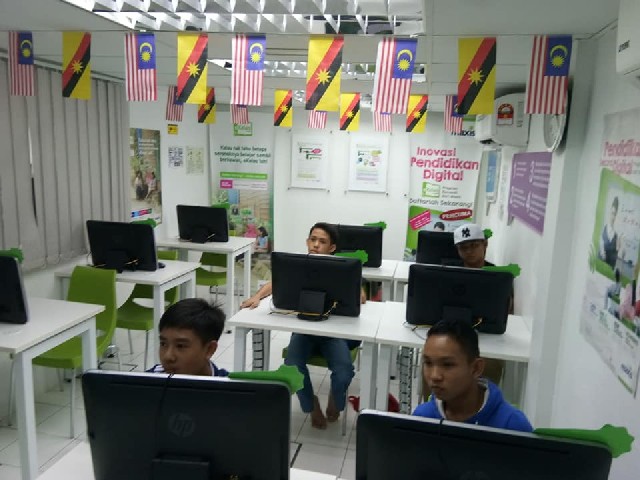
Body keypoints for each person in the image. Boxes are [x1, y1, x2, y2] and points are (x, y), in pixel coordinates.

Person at [240, 222, 365, 429]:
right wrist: (257, 297)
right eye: (313, 240)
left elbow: (361, 294)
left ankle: (336, 398)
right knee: (292, 367)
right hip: (304, 332)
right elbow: (276, 282)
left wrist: (358, 292)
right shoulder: (299, 265)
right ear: (307, 241)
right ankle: (311, 405)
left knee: (343, 371)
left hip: (332, 334)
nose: (316, 245)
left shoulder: (342, 267)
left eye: (322, 241)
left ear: (332, 248)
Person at [413, 318, 533, 432]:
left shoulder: (513, 425)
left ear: (476, 368)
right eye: (428, 363)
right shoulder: (422, 417)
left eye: (447, 364)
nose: (434, 376)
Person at [452, 223, 511, 385]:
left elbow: (507, 311)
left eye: (474, 245)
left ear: (485, 244)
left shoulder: (499, 277)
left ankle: (484, 401)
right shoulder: (448, 273)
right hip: (454, 332)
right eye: (463, 247)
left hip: (488, 337)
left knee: (489, 365)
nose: (469, 251)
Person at [147, 298, 228, 377]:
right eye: (163, 344)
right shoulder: (148, 379)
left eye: (180, 346)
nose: (168, 356)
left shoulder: (228, 384)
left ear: (209, 349)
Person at [599, 196, 621, 269]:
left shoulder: (616, 236)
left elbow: (613, 262)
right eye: (612, 213)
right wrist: (602, 252)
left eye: (615, 214)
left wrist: (618, 249)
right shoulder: (602, 229)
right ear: (609, 212)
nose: (613, 217)